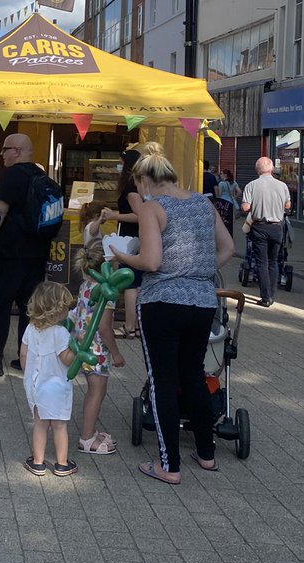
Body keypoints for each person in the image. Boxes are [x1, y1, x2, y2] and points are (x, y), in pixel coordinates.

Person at [111, 148, 234, 483]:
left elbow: (151, 261)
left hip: (161, 302)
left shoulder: (152, 208)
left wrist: (122, 255)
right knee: (193, 375)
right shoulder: (203, 203)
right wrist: (198, 272)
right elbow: (228, 248)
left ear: (144, 180)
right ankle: (206, 454)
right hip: (202, 301)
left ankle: (169, 465)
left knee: (163, 381)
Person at [0, 134, 59, 377]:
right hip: (37, 254)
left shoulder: (11, 176)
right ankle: (25, 359)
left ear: (17, 151)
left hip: (9, 254)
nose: (2, 154)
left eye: (5, 149)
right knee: (29, 309)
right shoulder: (43, 176)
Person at [70, 239, 124, 454]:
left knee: (93, 391)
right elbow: (104, 328)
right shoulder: (106, 292)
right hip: (97, 349)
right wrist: (116, 353)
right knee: (97, 392)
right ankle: (86, 438)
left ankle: (90, 430)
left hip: (82, 344)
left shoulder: (86, 285)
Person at [20, 281, 77, 477]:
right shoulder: (60, 333)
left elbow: (23, 354)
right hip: (56, 387)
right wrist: (76, 349)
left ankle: (38, 462)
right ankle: (62, 464)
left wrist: (28, 374)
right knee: (59, 425)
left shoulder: (30, 328)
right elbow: (66, 358)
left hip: (36, 386)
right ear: (58, 310)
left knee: (40, 424)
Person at [100, 149, 142, 338]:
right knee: (134, 281)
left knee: (131, 283)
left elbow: (139, 215)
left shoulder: (131, 188)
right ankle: (136, 326)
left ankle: (130, 326)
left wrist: (114, 215)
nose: (118, 166)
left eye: (120, 162)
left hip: (131, 240)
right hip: (133, 238)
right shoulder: (135, 186)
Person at [241, 157, 292, 307]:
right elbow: (288, 205)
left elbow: (245, 207)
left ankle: (266, 297)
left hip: (260, 227)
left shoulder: (251, 185)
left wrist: (256, 205)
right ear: (271, 168)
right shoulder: (282, 186)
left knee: (262, 262)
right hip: (277, 227)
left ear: (257, 170)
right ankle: (272, 295)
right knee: (273, 261)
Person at [214, 169, 240, 237]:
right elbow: (239, 192)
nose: (220, 175)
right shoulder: (232, 182)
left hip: (223, 203)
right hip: (231, 202)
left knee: (224, 221)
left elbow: (219, 194)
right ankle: (231, 236)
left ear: (225, 175)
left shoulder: (221, 183)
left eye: (221, 174)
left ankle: (224, 235)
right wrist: (234, 198)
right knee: (231, 221)